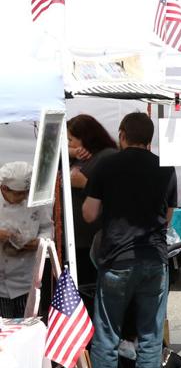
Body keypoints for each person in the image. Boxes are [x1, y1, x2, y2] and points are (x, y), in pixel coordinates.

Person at [82, 112, 177, 368]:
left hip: (116, 258)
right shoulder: (165, 167)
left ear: (122, 135)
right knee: (150, 332)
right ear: (150, 139)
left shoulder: (107, 165)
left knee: (107, 332)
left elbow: (89, 213)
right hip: (153, 258)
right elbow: (169, 216)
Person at [66, 114, 118, 285]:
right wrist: (71, 151)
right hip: (75, 237)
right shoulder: (76, 157)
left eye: (71, 139)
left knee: (89, 283)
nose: (68, 143)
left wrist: (85, 183)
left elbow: (116, 191)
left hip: (92, 237)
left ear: (85, 137)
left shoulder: (107, 156)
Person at [0, 162, 53, 317]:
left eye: (26, 192)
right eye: (18, 194)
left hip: (26, 279)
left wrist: (39, 242)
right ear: (4, 188)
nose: (23, 197)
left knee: (29, 324)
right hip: (1, 280)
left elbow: (47, 228)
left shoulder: (36, 201)